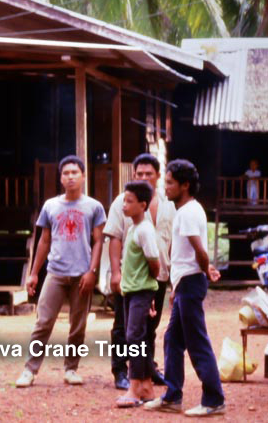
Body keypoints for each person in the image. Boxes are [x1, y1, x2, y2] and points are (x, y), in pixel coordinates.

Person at [14, 155, 106, 388]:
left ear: (83, 176)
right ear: (60, 178)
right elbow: (44, 240)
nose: (70, 176)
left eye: (75, 172)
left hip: (82, 274)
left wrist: (92, 271)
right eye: (66, 173)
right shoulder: (51, 206)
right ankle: (29, 369)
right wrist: (34, 273)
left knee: (78, 325)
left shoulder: (94, 207)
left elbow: (98, 241)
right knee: (43, 321)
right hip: (55, 272)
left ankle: (71, 369)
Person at [144, 159, 225, 417]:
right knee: (172, 339)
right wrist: (176, 287)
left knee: (197, 342)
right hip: (184, 283)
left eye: (170, 183)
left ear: (185, 185)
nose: (165, 187)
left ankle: (214, 399)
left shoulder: (189, 212)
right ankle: (172, 396)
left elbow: (199, 250)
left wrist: (205, 270)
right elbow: (186, 253)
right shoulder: (184, 211)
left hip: (191, 282)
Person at [103, 153, 173, 389]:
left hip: (158, 274)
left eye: (148, 174)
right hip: (130, 275)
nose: (144, 177)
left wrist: (172, 277)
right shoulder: (122, 202)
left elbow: (171, 241)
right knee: (124, 326)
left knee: (150, 326)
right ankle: (120, 370)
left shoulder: (167, 204)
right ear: (133, 175)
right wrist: (115, 272)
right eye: (139, 173)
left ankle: (146, 369)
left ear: (158, 176)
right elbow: (114, 237)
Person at [114, 181, 162, 408]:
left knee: (134, 338)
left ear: (143, 205)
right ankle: (146, 386)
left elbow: (155, 264)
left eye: (129, 201)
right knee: (136, 338)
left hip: (140, 291)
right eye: (124, 200)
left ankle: (134, 388)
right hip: (131, 291)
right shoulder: (133, 228)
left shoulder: (144, 230)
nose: (124, 205)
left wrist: (148, 288)